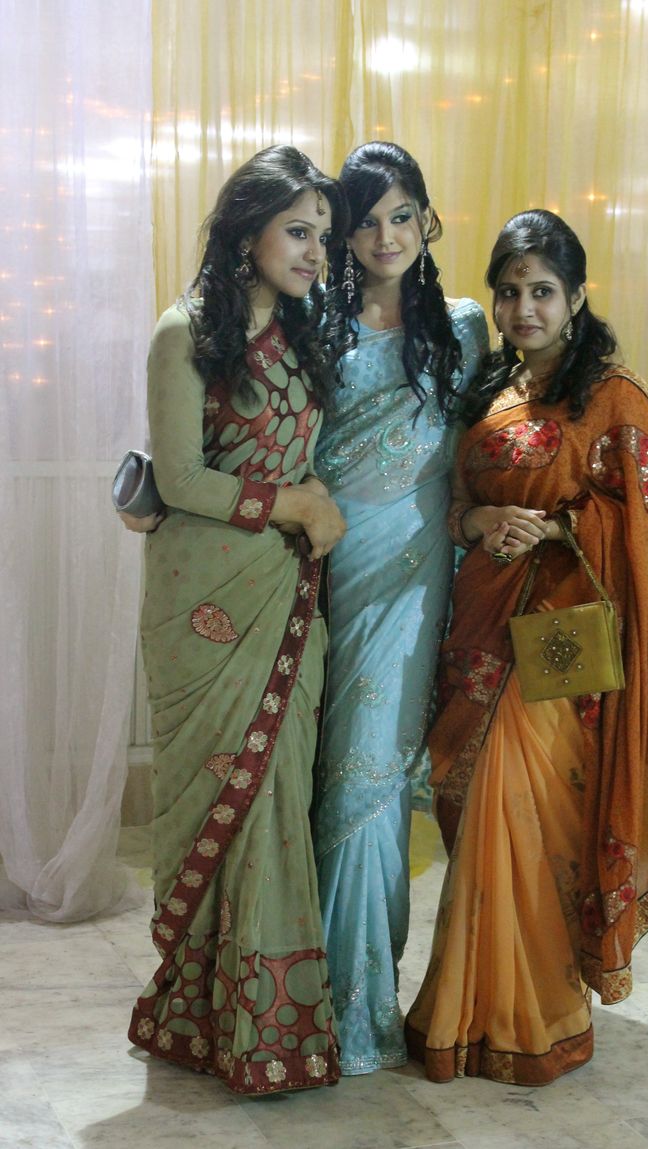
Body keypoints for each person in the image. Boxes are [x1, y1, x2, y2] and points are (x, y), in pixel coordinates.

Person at [404, 209, 648, 1086]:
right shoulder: (484, 392)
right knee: (482, 814)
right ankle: (462, 1006)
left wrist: (564, 524)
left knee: (525, 811)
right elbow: (453, 505)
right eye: (508, 291)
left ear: (574, 298)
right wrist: (484, 519)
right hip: (481, 632)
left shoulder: (612, 397)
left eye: (540, 291)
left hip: (560, 644)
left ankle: (535, 1011)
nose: (522, 307)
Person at [122, 146, 350, 1095]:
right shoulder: (185, 333)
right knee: (225, 792)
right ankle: (209, 1015)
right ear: (245, 230)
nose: (316, 254)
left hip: (286, 598)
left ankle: (270, 1023)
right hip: (205, 600)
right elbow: (178, 479)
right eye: (299, 232)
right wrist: (292, 505)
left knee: (277, 791)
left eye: (323, 238)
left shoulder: (302, 331)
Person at [312, 141, 489, 1075]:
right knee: (307, 778)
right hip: (317, 573)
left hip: (417, 579)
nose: (385, 235)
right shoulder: (316, 320)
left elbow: (477, 452)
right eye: (367, 219)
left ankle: (357, 1012)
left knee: (365, 783)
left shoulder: (461, 326)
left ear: (427, 221)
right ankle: (300, 991)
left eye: (401, 215)